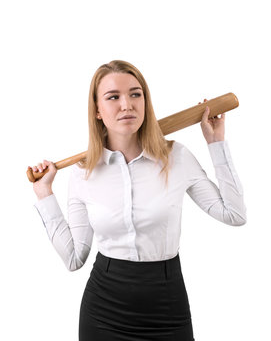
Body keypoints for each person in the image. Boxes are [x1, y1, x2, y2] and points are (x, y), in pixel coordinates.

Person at [29, 60, 247, 341]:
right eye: (113, 97)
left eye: (135, 94)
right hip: (104, 311)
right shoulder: (83, 173)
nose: (127, 104)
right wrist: (45, 194)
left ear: (146, 101)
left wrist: (216, 143)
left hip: (167, 307)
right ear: (97, 110)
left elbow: (235, 214)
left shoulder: (176, 158)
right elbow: (74, 258)